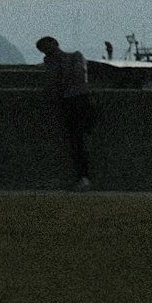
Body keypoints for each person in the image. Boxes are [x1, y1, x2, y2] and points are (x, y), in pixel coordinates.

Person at [35, 34, 95, 188]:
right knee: (76, 141)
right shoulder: (72, 58)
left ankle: (83, 176)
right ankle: (82, 176)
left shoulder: (74, 56)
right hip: (72, 100)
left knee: (78, 140)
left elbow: (66, 79)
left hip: (76, 101)